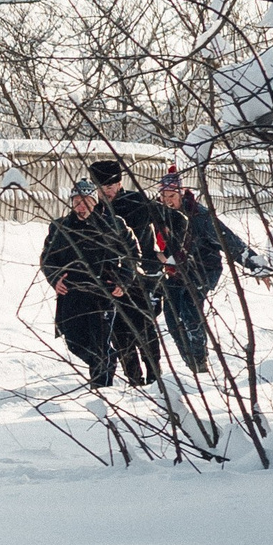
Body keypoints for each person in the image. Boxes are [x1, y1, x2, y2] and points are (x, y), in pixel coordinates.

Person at [151, 167, 265, 373]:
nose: (168, 200)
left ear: (181, 193)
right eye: (163, 196)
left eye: (172, 196)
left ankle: (200, 359)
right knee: (171, 315)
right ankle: (191, 362)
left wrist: (255, 265)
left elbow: (229, 241)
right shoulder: (160, 214)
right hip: (175, 269)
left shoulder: (199, 216)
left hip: (203, 269)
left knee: (189, 307)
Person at [41, 178, 136, 388]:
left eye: (86, 201)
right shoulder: (60, 227)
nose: (81, 206)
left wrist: (123, 279)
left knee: (99, 344)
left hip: (103, 293)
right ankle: (107, 361)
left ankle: (102, 390)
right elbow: (47, 259)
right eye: (77, 201)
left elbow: (133, 254)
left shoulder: (113, 224)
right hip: (72, 293)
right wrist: (55, 278)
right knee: (74, 342)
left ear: (96, 202)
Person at [89, 159, 166, 387]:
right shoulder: (95, 209)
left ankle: (155, 377)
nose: (106, 191)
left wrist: (167, 253)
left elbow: (177, 220)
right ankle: (135, 380)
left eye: (111, 186)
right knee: (119, 331)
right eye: (101, 187)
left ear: (120, 182)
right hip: (113, 279)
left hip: (144, 276)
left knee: (143, 327)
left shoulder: (138, 202)